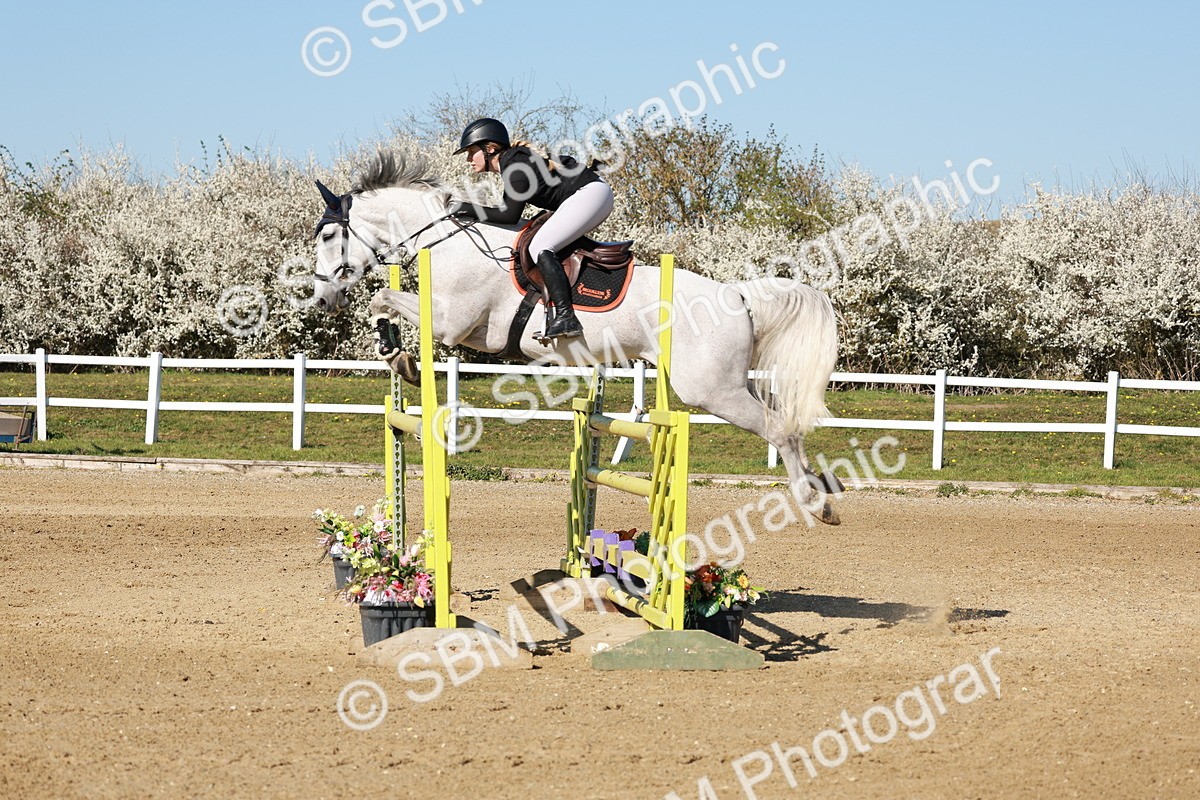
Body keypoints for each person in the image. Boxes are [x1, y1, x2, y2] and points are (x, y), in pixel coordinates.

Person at [448, 117, 613, 338]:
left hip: (590, 194)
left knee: (540, 246)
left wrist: (464, 207)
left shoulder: (515, 167)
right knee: (543, 240)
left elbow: (509, 214)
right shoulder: (514, 162)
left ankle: (566, 317)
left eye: (471, 152)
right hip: (591, 193)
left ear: (489, 148)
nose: (468, 159)